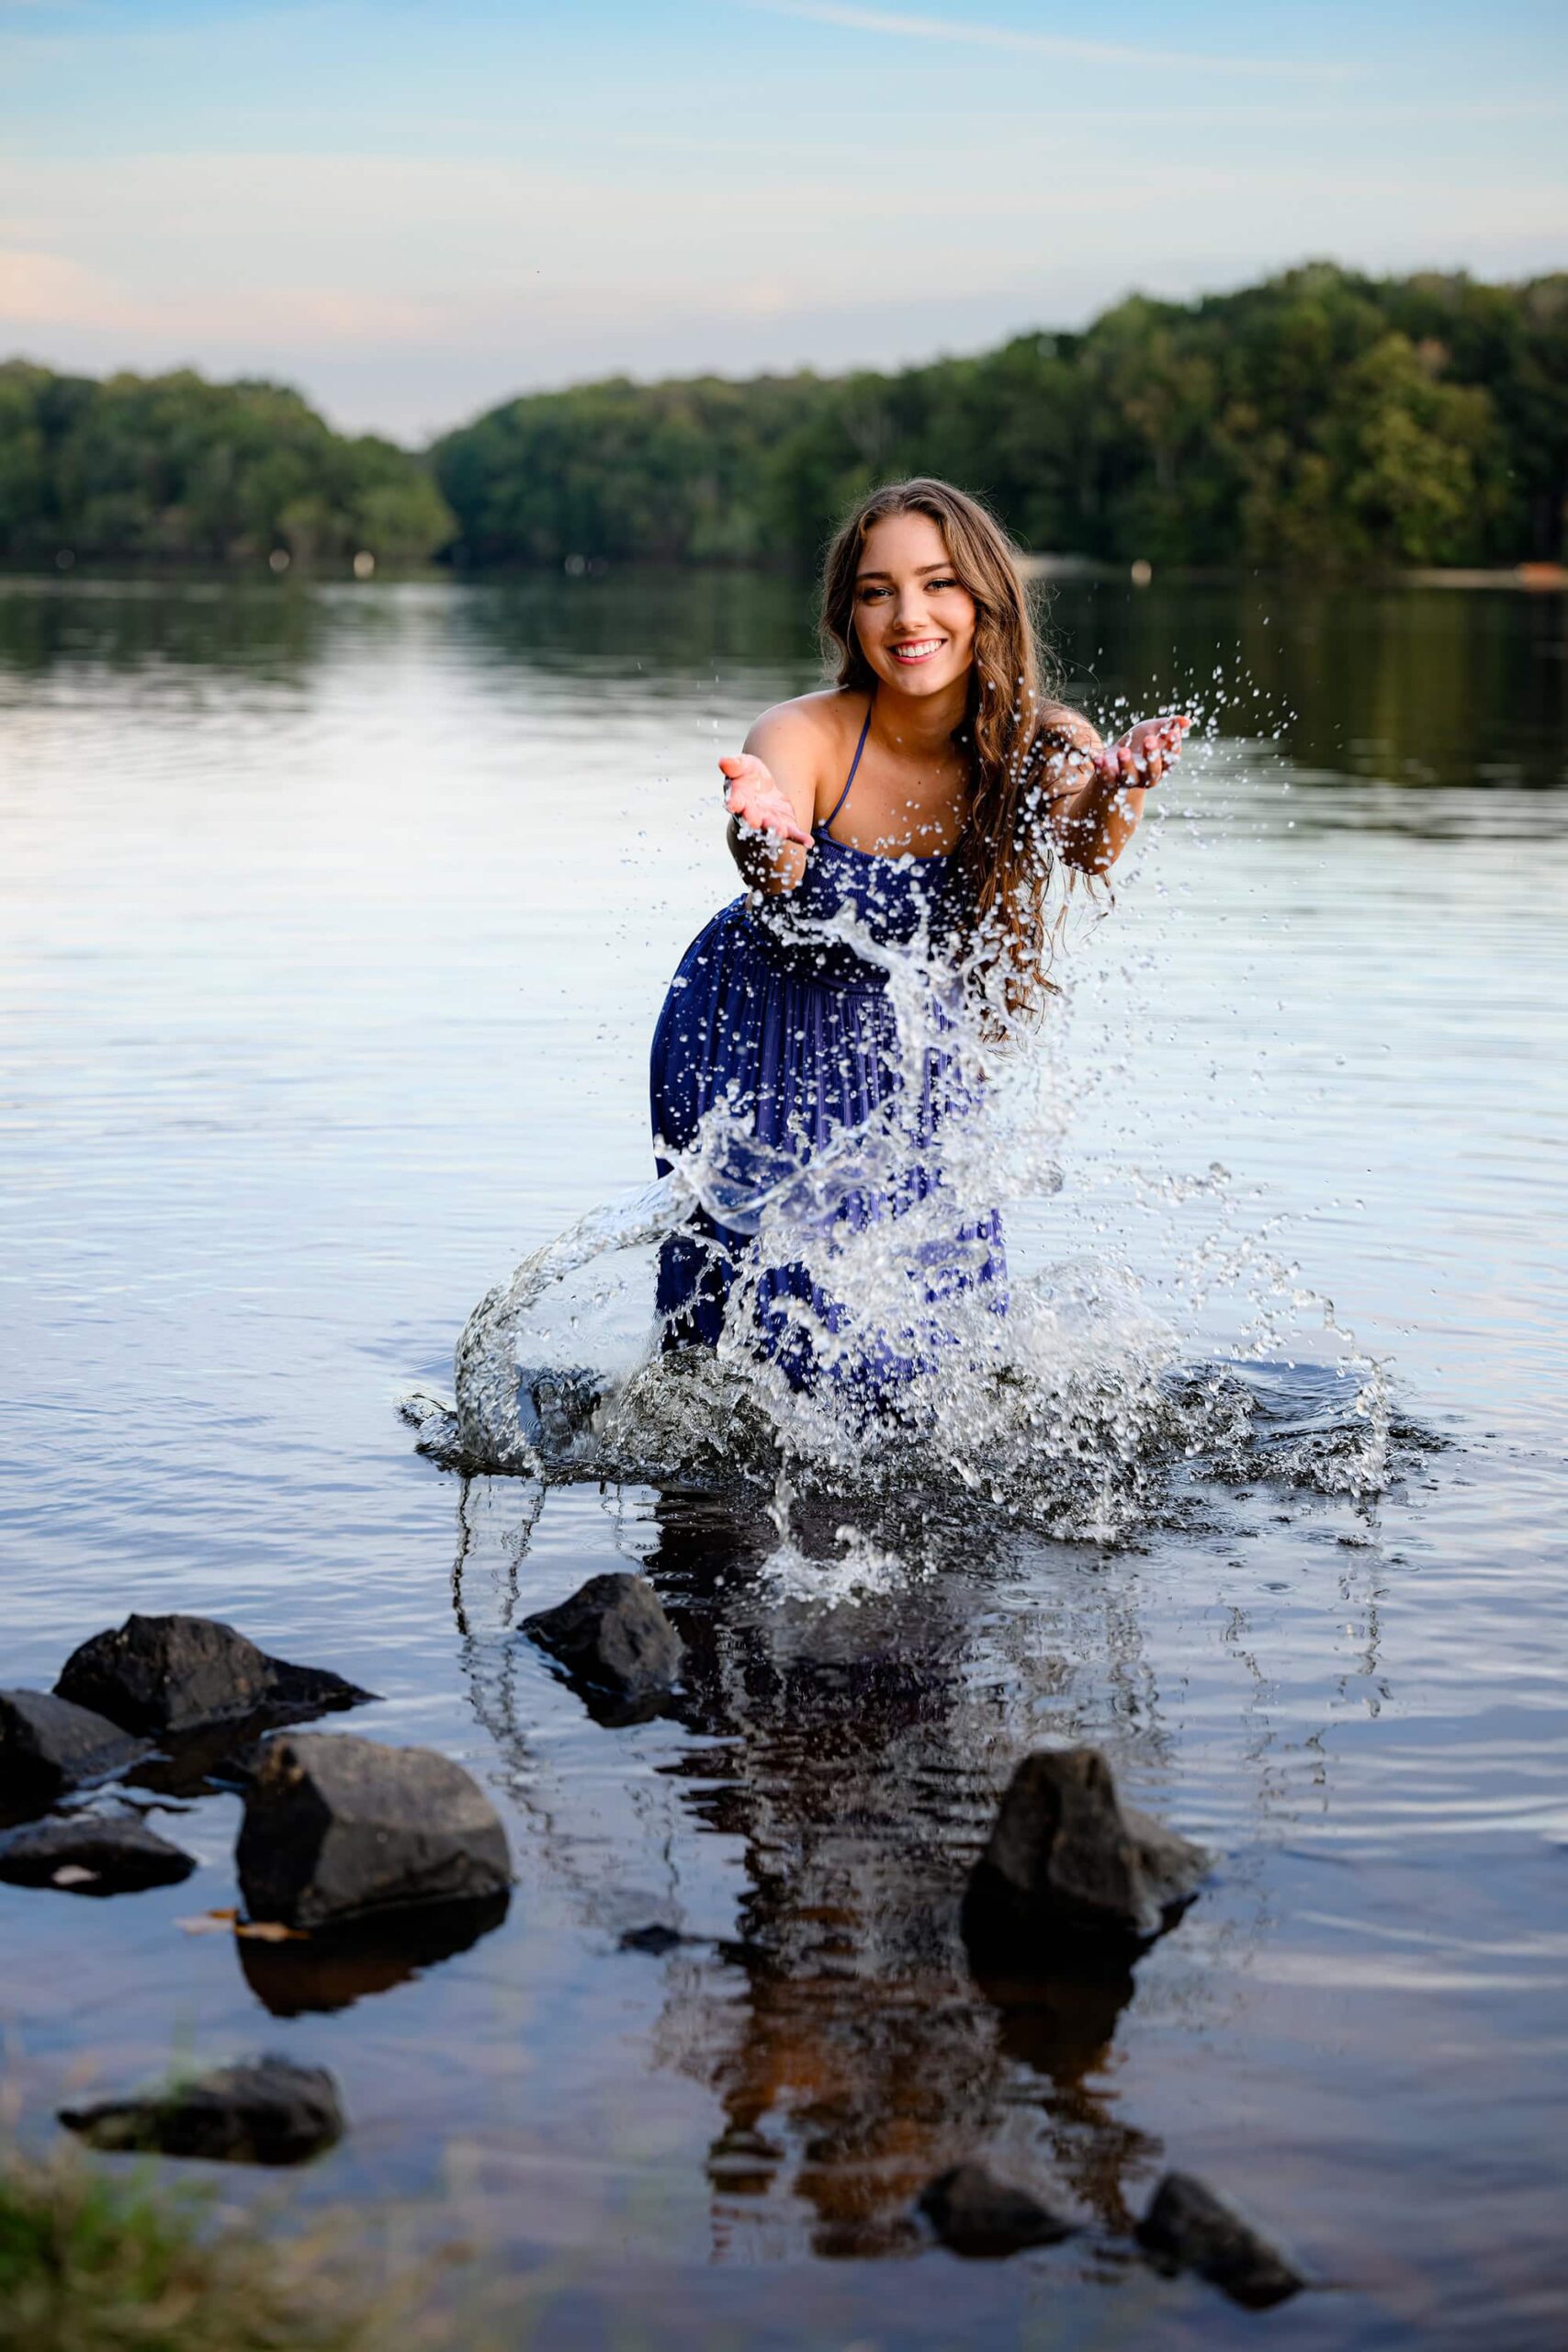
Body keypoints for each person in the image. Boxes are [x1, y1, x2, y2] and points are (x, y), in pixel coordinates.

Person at [649, 477, 1188, 1402]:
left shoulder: (1041, 739)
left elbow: (1088, 842)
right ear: (847, 614)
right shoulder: (802, 732)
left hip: (908, 1039)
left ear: (986, 601)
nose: (909, 616)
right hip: (756, 1025)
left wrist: (1118, 785)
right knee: (754, 1321)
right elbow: (772, 864)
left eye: (939, 584)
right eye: (877, 592)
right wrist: (762, 830)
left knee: (935, 1319)